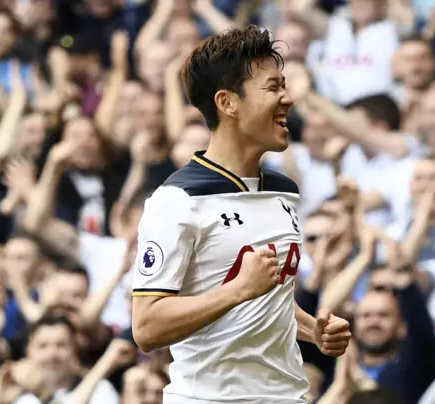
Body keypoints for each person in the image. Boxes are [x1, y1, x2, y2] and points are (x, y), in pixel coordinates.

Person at [130, 25, 352, 404]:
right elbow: (147, 326)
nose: (288, 98)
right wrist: (236, 291)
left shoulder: (284, 191)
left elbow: (270, 300)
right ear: (227, 102)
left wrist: (313, 330)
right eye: (273, 87)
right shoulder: (178, 199)